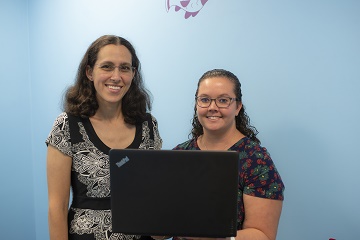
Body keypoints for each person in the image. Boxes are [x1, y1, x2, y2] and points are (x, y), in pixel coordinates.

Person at [46, 35, 162, 240]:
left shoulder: (148, 126)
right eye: (107, 66)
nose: (116, 76)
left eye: (125, 68)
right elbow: (57, 207)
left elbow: (155, 195)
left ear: (133, 74)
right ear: (90, 72)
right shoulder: (67, 125)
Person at [172, 69, 285, 240]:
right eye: (204, 100)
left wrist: (212, 236)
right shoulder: (179, 155)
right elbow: (162, 228)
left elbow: (263, 235)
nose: (212, 107)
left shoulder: (256, 160)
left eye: (223, 100)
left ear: (238, 107)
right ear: (197, 104)